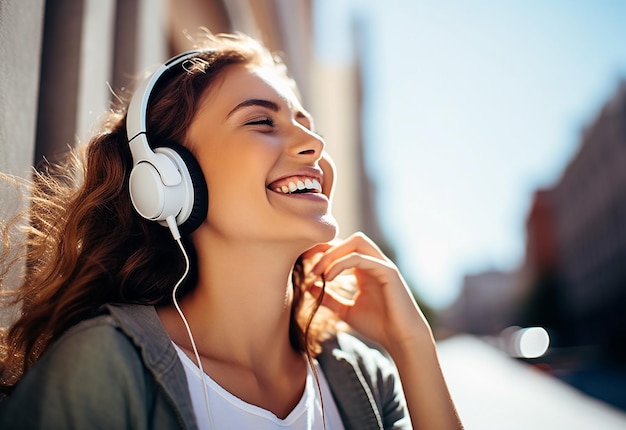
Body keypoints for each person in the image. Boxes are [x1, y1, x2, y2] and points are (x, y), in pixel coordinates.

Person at [0, 31, 462, 429]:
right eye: (262, 121)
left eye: (306, 125)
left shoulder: (363, 376)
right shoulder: (101, 368)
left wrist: (411, 345)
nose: (314, 144)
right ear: (168, 179)